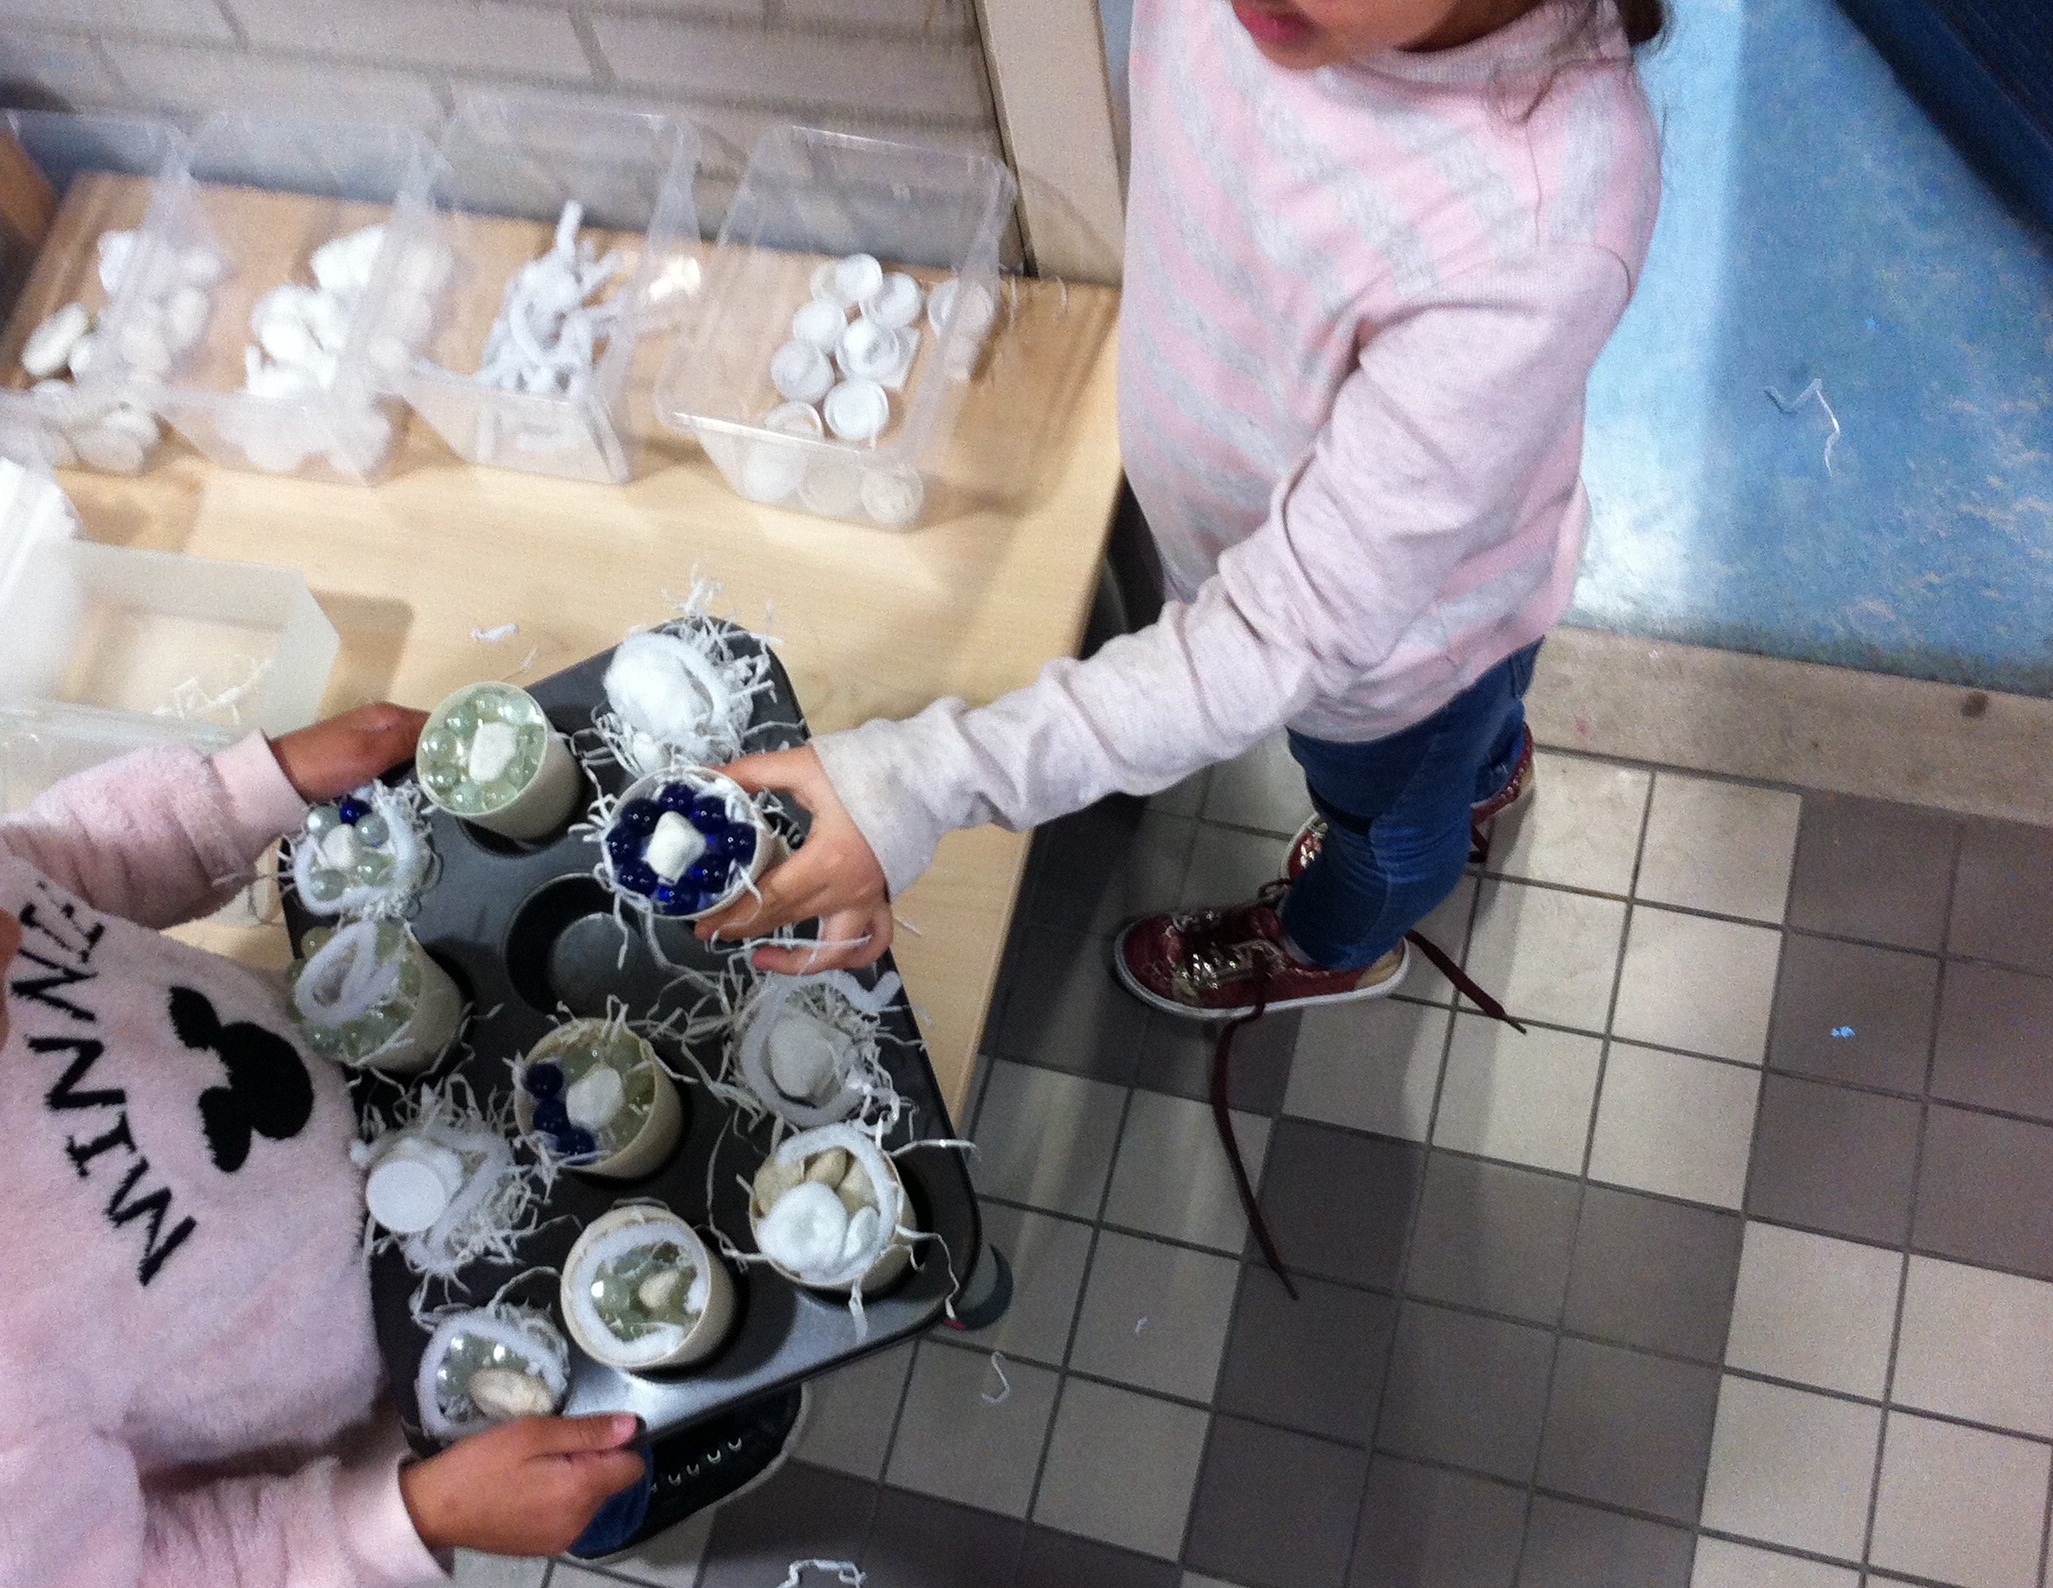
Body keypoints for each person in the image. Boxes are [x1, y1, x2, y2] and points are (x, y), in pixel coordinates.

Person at [711, 0, 1666, 1024]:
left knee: (1385, 824)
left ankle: (1336, 942)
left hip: (1395, 665)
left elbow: (1282, 631)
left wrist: (920, 781)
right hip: (1398, 583)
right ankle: (1482, 769)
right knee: (1453, 747)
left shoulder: (1538, 223)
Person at [0, 710, 795, 1586]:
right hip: (393, 1377)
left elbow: (36, 865)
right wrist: (406, 1521)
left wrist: (238, 797)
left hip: (392, 1090)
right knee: (589, 1458)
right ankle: (621, 1513)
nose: (5, 937)